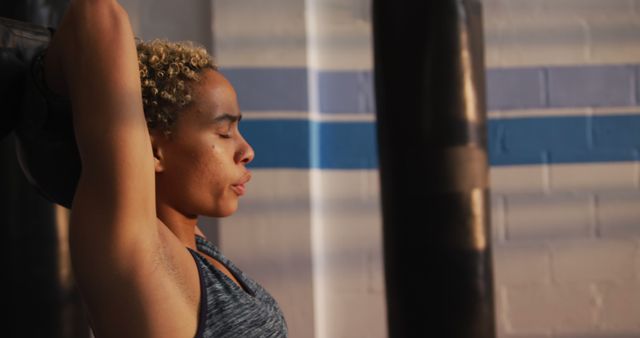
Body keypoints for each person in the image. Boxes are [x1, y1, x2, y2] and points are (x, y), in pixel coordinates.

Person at [40, 0, 288, 336]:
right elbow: (96, 14)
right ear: (153, 151)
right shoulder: (141, 253)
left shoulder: (194, 248)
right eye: (224, 131)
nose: (247, 151)